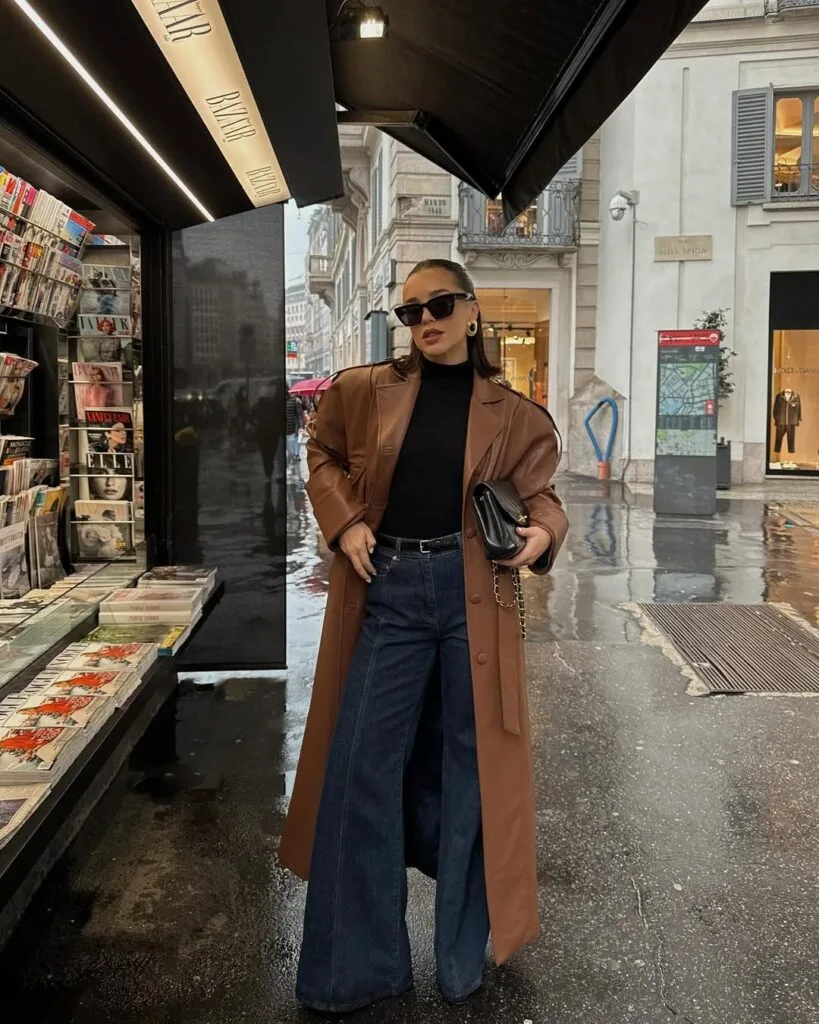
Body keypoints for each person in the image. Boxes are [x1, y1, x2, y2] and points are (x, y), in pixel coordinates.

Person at [279, 258, 569, 1012]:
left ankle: (459, 958)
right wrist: (343, 524)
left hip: (473, 592)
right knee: (361, 770)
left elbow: (541, 500)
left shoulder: (513, 413)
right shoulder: (361, 390)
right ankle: (358, 967)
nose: (424, 321)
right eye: (409, 312)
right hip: (392, 591)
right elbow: (322, 455)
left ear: (472, 311)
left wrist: (539, 537)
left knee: (471, 771)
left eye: (437, 305)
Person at [285, 388, 305, 465]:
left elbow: (300, 414)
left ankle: (288, 463)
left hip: (291, 430)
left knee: (290, 452)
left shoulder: (295, 401)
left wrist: (301, 426)